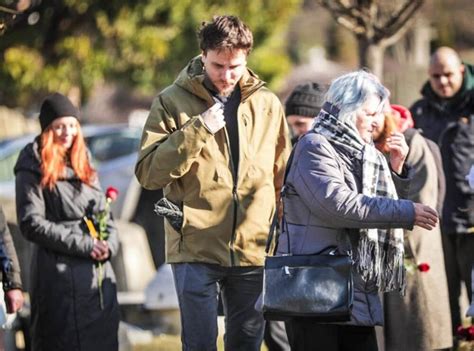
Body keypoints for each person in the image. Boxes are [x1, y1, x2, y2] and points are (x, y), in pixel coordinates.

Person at [135, 15, 291, 351]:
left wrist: (280, 233)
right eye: (218, 66)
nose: (227, 75)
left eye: (235, 66)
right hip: (194, 244)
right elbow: (148, 174)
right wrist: (197, 130)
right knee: (200, 343)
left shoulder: (268, 104)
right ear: (203, 55)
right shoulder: (170, 101)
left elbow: (282, 175)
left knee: (247, 342)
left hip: (253, 248)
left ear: (246, 57)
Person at [276, 70, 439, 351]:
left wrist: (396, 170)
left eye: (379, 113)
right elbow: (339, 206)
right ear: (347, 110)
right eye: (370, 113)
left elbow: (376, 211)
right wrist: (406, 211)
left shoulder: (366, 153)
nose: (378, 122)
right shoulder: (314, 146)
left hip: (354, 285)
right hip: (316, 289)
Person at [14, 93, 120, 351]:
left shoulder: (83, 158)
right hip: (57, 275)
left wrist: (110, 244)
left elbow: (104, 214)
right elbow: (31, 222)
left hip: (96, 279)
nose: (67, 132)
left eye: (72, 125)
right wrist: (85, 245)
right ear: (47, 129)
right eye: (59, 125)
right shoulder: (32, 162)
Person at [372, 105, 452, 350]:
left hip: (413, 252)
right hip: (381, 254)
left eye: (375, 113)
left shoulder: (411, 142)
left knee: (419, 330)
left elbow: (423, 205)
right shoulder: (364, 146)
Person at [410, 46, 474, 335]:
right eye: (436, 76)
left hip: (471, 219)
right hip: (435, 222)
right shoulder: (419, 112)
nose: (443, 82)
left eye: (448, 75)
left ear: (461, 70)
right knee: (442, 297)